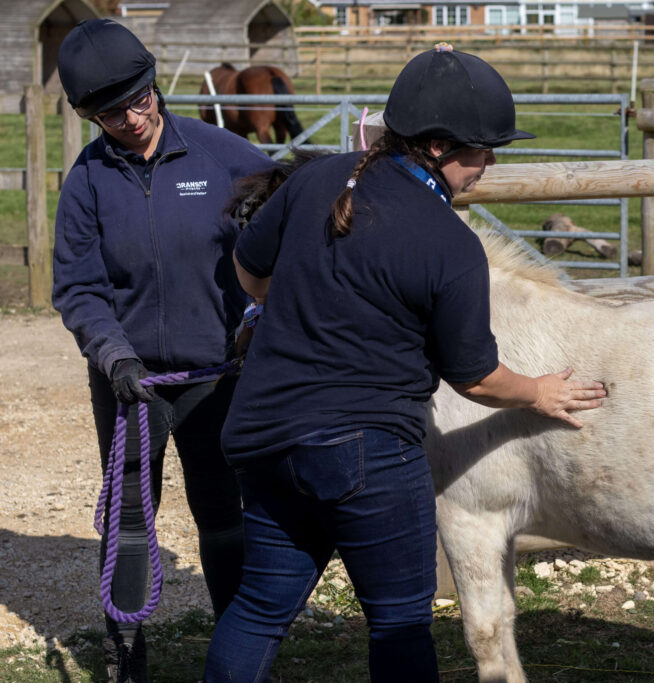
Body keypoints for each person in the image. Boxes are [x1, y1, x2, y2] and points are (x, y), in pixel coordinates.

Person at [204, 44, 606, 682]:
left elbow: (249, 271)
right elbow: (475, 376)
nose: (491, 163)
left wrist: (295, 309)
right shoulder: (450, 242)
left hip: (260, 434)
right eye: (482, 149)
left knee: (258, 608)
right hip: (363, 450)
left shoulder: (315, 178)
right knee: (397, 621)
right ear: (440, 147)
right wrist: (537, 391)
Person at [51, 18, 277, 682]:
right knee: (127, 516)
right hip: (131, 380)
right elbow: (80, 285)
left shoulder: (224, 156)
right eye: (111, 111)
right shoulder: (87, 183)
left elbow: (293, 218)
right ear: (90, 115)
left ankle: (243, 653)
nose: (133, 116)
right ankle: (127, 655)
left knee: (223, 513)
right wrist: (113, 354)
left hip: (217, 373)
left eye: (141, 97)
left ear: (155, 84)